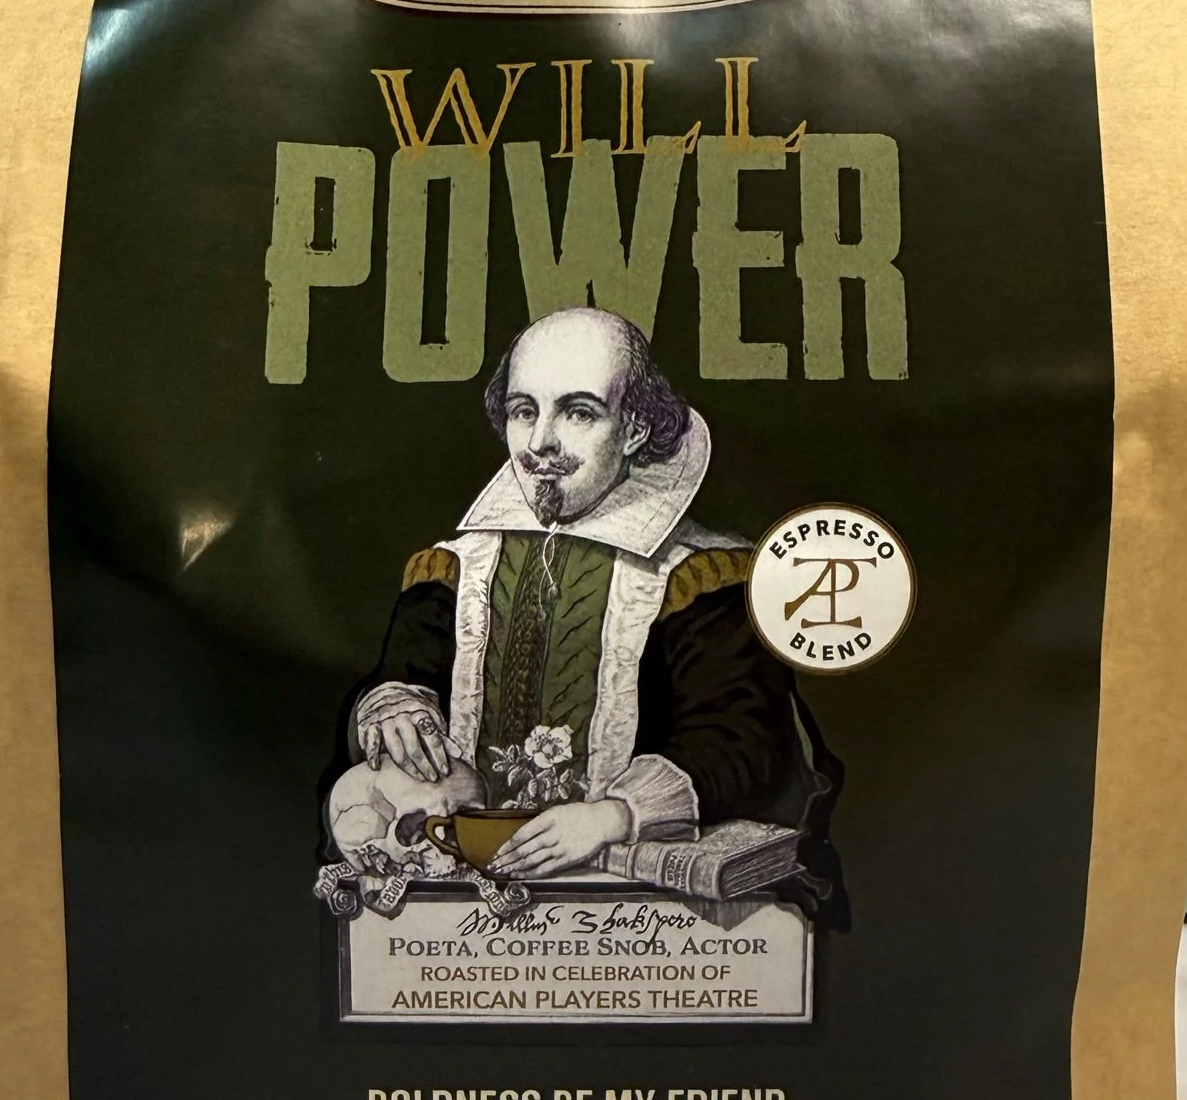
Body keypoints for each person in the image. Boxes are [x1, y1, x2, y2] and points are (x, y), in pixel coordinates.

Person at [336, 305, 837, 883]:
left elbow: (742, 742)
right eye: (524, 411)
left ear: (635, 429)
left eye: (578, 412)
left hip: (632, 903)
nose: (540, 442)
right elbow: (406, 672)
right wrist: (397, 705)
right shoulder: (453, 570)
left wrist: (612, 816)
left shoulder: (702, 579)